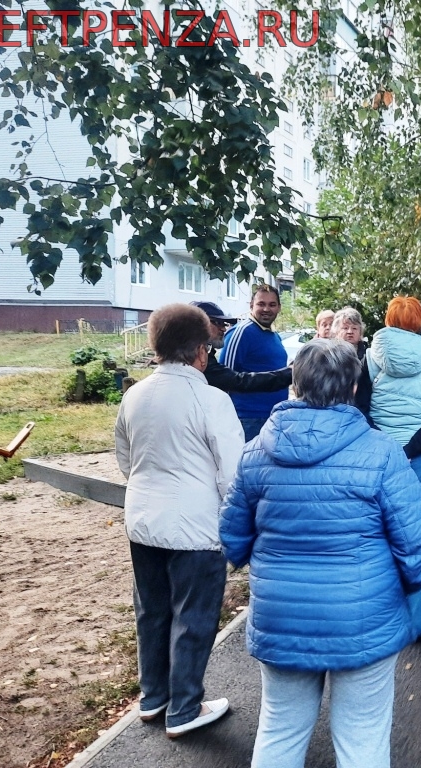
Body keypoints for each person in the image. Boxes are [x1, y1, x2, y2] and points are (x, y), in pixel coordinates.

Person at [219, 339, 421, 768]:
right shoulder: (383, 453)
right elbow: (416, 543)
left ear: (294, 386)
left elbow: (233, 541)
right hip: (364, 617)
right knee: (363, 736)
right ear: (353, 389)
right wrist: (405, 589)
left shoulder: (255, 455)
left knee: (280, 728)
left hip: (281, 615)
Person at [114, 303, 244, 738]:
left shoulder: (134, 394)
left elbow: (125, 460)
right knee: (194, 617)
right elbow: (232, 473)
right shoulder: (211, 399)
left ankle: (153, 698)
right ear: (201, 351)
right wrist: (236, 524)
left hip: (142, 519)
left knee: (151, 611)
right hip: (195, 526)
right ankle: (185, 708)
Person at [358, 296, 421, 640]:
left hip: (379, 459)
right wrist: (411, 449)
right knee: (419, 534)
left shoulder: (370, 354)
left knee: (377, 532)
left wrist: (385, 447)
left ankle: (379, 615)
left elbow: (361, 406)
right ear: (420, 321)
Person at [218, 284, 289, 440]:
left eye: (272, 305)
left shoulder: (274, 336)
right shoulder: (242, 332)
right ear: (251, 306)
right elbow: (223, 377)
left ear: (279, 308)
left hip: (273, 417)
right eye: (261, 304)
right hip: (247, 418)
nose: (266, 309)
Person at [189, 301, 293, 394]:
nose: (224, 329)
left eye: (224, 324)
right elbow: (238, 381)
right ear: (197, 324)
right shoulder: (190, 356)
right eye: (218, 323)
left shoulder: (199, 353)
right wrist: (291, 373)